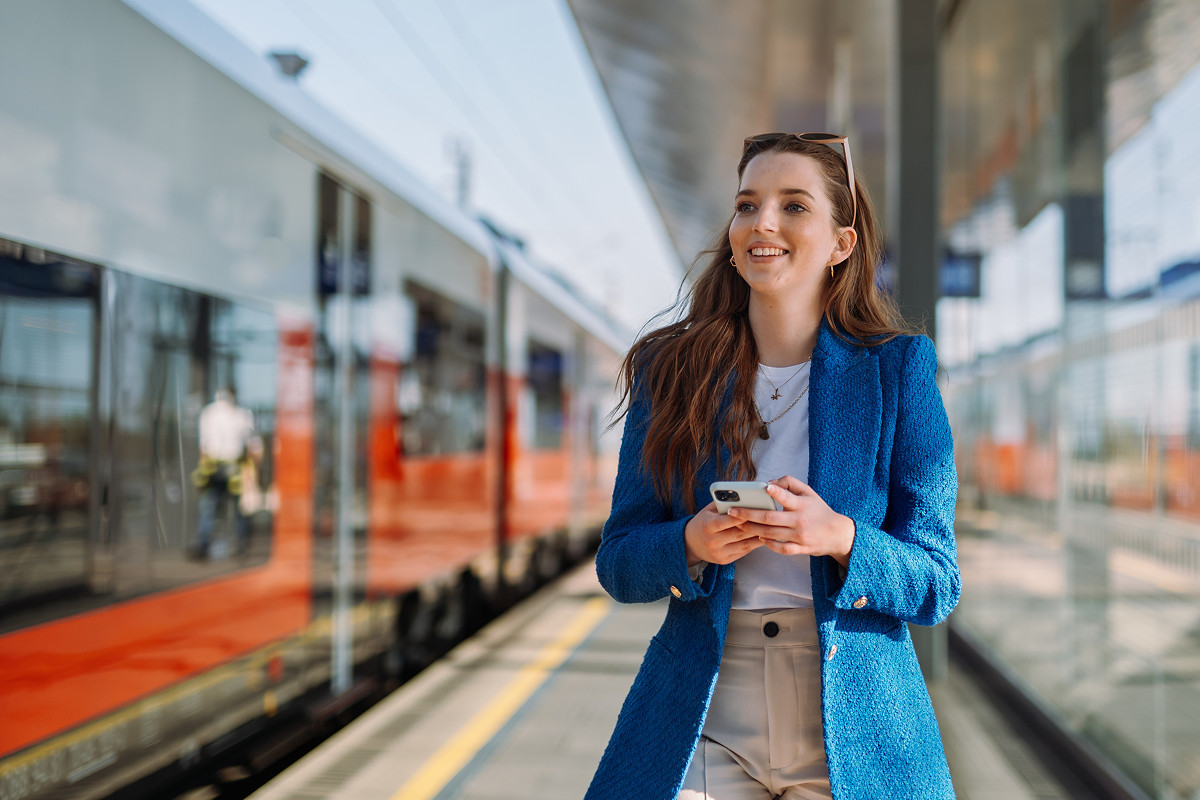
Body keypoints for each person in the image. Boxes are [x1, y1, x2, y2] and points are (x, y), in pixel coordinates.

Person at [585, 132, 960, 800]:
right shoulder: (668, 372)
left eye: (793, 206)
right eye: (747, 205)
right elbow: (618, 561)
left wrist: (842, 538)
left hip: (852, 718)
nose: (762, 223)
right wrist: (688, 544)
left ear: (842, 244)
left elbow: (938, 582)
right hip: (705, 706)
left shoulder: (899, 371)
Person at [192, 387, 257, 559]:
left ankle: (208, 545)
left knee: (214, 506)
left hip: (222, 465)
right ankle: (237, 545)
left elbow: (203, 445)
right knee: (224, 507)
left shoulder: (212, 413)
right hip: (226, 465)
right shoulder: (241, 414)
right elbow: (251, 444)